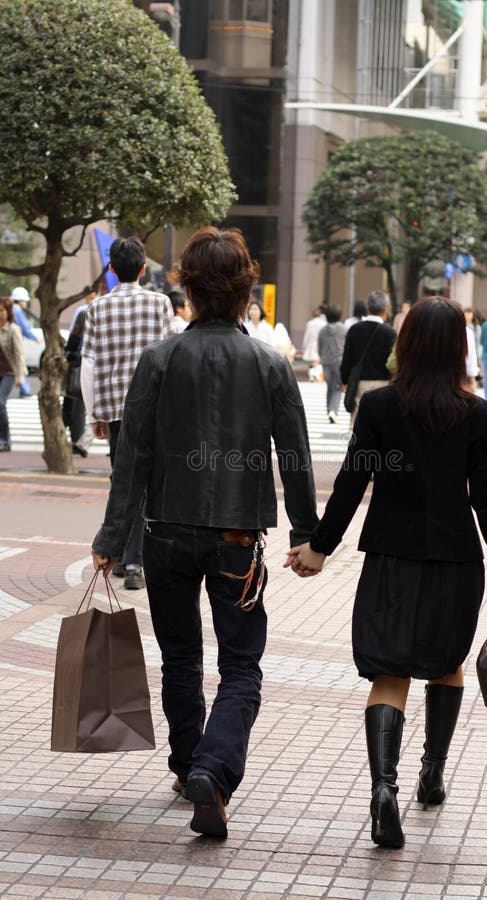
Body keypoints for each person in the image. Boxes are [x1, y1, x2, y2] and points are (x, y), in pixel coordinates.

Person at [91, 226, 318, 837]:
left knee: (181, 658)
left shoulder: (159, 360)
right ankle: (213, 773)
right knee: (242, 664)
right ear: (246, 289)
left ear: (186, 287)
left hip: (165, 530)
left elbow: (132, 461)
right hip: (237, 540)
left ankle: (191, 762)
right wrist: (308, 535)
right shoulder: (270, 364)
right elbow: (293, 456)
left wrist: (112, 540)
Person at [285, 297, 487, 849]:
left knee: (389, 674)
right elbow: (486, 497)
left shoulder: (380, 406)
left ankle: (383, 789)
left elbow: (351, 483)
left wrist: (320, 547)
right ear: (459, 350)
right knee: (446, 666)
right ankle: (431, 775)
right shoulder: (477, 413)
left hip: (390, 556)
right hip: (455, 561)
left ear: (405, 343)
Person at [81, 236, 176, 590]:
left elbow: (88, 365)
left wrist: (95, 415)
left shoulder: (97, 308)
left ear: (111, 269)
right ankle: (136, 561)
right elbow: (171, 355)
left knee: (124, 482)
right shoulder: (160, 303)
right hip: (154, 408)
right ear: (142, 268)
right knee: (152, 484)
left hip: (117, 413)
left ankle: (124, 555)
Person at [340, 290, 396, 424]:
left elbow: (347, 358)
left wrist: (344, 380)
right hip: (384, 384)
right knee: (382, 423)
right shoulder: (390, 332)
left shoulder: (354, 330)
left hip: (360, 384)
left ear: (367, 308)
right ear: (385, 310)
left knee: (358, 423)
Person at [62, 310, 94, 458]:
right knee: (98, 414)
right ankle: (81, 443)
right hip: (85, 377)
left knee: (72, 410)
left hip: (73, 379)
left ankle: (80, 442)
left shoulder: (74, 336)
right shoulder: (88, 337)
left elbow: (67, 354)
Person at [0, 297, 26, 451]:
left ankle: (5, 439)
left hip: (9, 371)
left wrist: (20, 376)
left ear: (8, 312)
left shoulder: (13, 329)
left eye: (2, 311)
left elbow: (19, 353)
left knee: (0, 403)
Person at [9, 286, 41, 397]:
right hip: (15, 341)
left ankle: (24, 388)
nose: (26, 303)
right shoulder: (17, 311)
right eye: (25, 300)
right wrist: (35, 338)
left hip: (8, 341)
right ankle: (25, 389)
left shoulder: (11, 308)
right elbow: (25, 328)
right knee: (19, 363)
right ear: (20, 300)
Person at [317, 304, 346, 423]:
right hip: (339, 361)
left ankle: (329, 409)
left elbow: (319, 346)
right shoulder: (343, 329)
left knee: (329, 387)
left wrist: (322, 357)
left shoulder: (323, 330)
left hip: (326, 362)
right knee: (337, 387)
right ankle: (333, 410)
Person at [302, 307, 326, 381]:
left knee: (311, 362)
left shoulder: (310, 323)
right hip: (320, 344)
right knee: (318, 361)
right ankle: (315, 374)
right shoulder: (323, 323)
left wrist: (304, 345)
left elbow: (307, 335)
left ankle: (312, 375)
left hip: (311, 343)